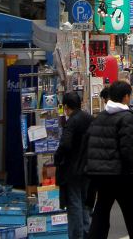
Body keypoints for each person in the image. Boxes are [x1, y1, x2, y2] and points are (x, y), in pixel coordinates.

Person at [84, 81, 133, 239]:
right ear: (126, 97)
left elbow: (90, 145)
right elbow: (126, 149)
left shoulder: (100, 117)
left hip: (101, 174)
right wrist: (131, 170)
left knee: (101, 213)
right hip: (120, 174)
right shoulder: (126, 117)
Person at [55, 91, 92, 239]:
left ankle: (76, 235)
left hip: (73, 168)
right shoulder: (89, 119)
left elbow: (65, 144)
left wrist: (57, 158)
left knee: (74, 203)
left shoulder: (71, 122)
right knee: (84, 202)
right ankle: (85, 232)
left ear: (66, 106)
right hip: (88, 167)